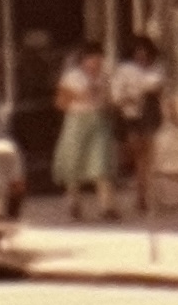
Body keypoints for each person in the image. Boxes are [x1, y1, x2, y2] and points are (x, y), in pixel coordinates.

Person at [52, 43, 116, 219]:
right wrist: (79, 96)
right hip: (77, 120)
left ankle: (107, 206)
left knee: (101, 161)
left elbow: (109, 100)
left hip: (99, 119)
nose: (96, 62)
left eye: (99, 58)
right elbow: (60, 102)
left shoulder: (104, 77)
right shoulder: (72, 77)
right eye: (92, 58)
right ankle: (74, 203)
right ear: (83, 60)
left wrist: (108, 104)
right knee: (74, 162)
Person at [108, 33, 165, 218]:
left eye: (145, 52)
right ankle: (141, 192)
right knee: (137, 154)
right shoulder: (125, 70)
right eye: (138, 52)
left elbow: (158, 88)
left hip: (149, 113)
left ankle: (144, 194)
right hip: (130, 115)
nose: (142, 56)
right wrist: (130, 96)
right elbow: (116, 96)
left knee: (147, 156)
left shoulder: (156, 68)